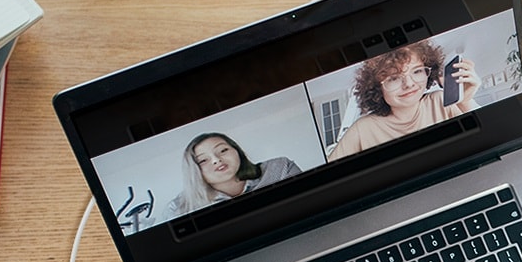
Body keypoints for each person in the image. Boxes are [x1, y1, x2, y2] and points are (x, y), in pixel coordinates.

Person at [328, 41, 479, 160]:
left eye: (417, 71)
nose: (409, 84)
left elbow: (489, 137)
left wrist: (465, 101)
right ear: (376, 89)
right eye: (394, 78)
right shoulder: (362, 129)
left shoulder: (441, 101)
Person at [164, 132, 302, 217]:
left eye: (223, 150)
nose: (216, 160)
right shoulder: (179, 208)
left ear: (237, 151)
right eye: (203, 160)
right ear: (193, 171)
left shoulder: (280, 168)